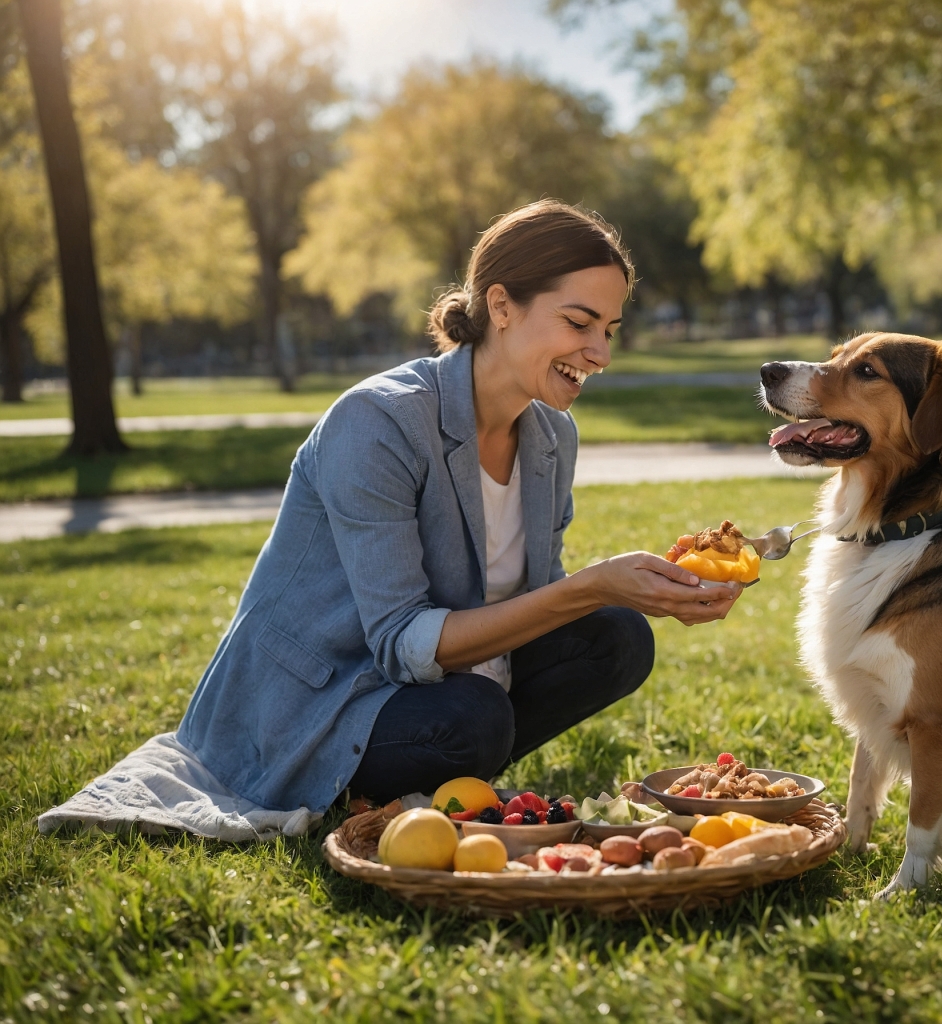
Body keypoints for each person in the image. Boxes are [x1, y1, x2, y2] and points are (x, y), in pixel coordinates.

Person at [176, 200, 741, 812]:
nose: (600, 353)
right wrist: (594, 584)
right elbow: (399, 640)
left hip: (451, 685)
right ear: (501, 306)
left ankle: (447, 767)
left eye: (608, 330)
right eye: (579, 323)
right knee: (472, 720)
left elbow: (537, 596)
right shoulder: (378, 422)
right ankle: (391, 773)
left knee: (616, 638)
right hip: (317, 698)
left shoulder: (552, 435)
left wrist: (637, 590)